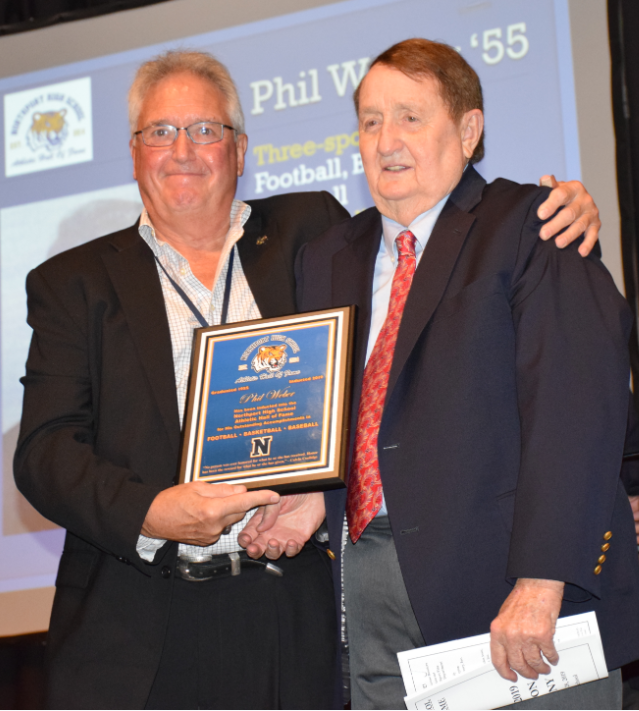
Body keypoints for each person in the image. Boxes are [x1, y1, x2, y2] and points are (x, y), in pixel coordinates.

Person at [14, 48, 605, 709]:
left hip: (297, 610)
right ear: (133, 151)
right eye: (160, 131)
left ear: (240, 150)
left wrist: (563, 207)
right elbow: (44, 452)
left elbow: (432, 348)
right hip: (142, 621)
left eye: (205, 129)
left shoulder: (313, 234)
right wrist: (151, 512)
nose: (182, 150)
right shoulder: (72, 284)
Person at [251, 38, 639, 710]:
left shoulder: (532, 224)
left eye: (410, 117)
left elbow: (575, 411)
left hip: (509, 589)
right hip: (367, 585)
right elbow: (353, 412)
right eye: (370, 121)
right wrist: (316, 494)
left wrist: (542, 578)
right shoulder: (328, 256)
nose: (386, 141)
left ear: (467, 130)